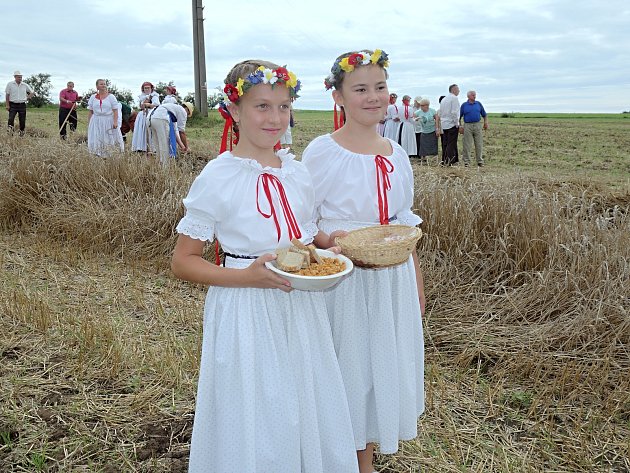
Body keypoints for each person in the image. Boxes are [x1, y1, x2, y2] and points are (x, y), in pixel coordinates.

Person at [171, 59, 358, 473]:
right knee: (257, 408)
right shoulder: (218, 176)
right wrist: (247, 277)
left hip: (301, 308)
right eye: (261, 106)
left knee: (302, 399)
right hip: (246, 308)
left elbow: (303, 241)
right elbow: (183, 262)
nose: (275, 118)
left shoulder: (297, 172)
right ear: (234, 111)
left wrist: (332, 250)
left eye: (284, 106)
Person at [302, 49, 426, 473]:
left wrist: (416, 287)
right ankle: (334, 457)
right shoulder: (322, 152)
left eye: (380, 87)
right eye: (360, 89)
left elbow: (405, 225)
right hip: (343, 278)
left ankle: (364, 460)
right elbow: (305, 221)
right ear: (338, 97)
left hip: (391, 278)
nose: (373, 97)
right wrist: (329, 240)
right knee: (344, 365)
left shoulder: (396, 154)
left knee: (378, 365)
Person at [86, 79, 124, 156]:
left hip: (108, 120)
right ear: (97, 86)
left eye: (104, 84)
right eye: (101, 84)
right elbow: (90, 111)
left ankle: (110, 153)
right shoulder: (93, 97)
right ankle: (97, 153)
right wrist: (89, 123)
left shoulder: (111, 97)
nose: (103, 85)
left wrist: (115, 121)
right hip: (96, 120)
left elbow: (115, 110)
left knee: (108, 137)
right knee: (97, 136)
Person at [459, 90, 489, 167]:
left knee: (479, 143)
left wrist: (486, 122)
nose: (474, 96)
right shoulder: (464, 105)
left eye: (475, 95)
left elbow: (484, 115)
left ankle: (480, 161)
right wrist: (460, 126)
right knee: (467, 144)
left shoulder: (478, 104)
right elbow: (458, 117)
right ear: (468, 96)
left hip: (477, 125)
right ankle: (467, 162)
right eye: (473, 95)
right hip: (467, 126)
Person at [131, 82, 160, 152]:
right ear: (143, 89)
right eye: (145, 88)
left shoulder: (154, 96)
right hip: (142, 115)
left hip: (151, 114)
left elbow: (156, 105)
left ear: (151, 88)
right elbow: (141, 106)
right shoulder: (142, 96)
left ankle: (152, 148)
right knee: (142, 130)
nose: (147, 89)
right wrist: (143, 105)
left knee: (150, 130)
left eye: (148, 88)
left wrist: (148, 105)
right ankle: (141, 147)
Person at [5, 70, 34, 135]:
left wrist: (27, 97)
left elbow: (32, 92)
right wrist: (7, 105)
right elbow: (7, 95)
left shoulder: (25, 85)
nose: (20, 78)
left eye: (21, 77)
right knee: (11, 119)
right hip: (12, 104)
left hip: (22, 105)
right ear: (15, 77)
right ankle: (10, 133)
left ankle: (21, 133)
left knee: (22, 120)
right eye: (19, 77)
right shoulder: (10, 84)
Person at [438, 84, 460, 166]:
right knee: (451, 143)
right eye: (458, 89)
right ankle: (450, 161)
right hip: (451, 124)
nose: (459, 91)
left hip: (444, 124)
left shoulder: (444, 99)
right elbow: (454, 112)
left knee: (446, 143)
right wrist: (457, 123)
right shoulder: (454, 98)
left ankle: (444, 160)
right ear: (453, 90)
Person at [414, 98, 440, 164]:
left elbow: (437, 119)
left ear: (427, 105)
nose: (421, 107)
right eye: (421, 105)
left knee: (433, 145)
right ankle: (424, 159)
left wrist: (437, 129)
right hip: (423, 131)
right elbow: (413, 117)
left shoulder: (432, 111)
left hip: (432, 130)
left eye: (423, 105)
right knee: (423, 145)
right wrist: (416, 119)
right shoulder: (418, 112)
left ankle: (434, 159)